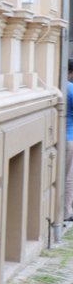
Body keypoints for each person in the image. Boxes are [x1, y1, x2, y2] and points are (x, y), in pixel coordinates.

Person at [65, 59, 73, 222]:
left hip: (55, 137)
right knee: (68, 177)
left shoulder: (54, 87)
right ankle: (66, 213)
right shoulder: (70, 88)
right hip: (69, 138)